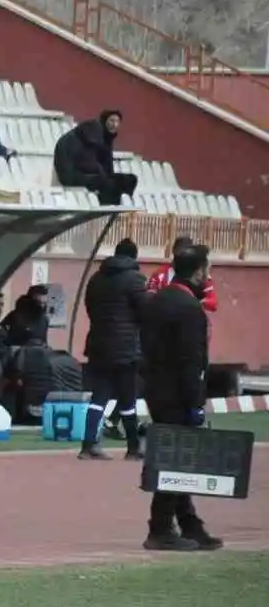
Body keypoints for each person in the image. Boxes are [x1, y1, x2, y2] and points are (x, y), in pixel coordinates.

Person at [139, 245, 222, 551]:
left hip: (156, 390)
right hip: (177, 394)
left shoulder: (157, 301)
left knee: (174, 458)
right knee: (174, 461)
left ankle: (189, 523)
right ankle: (159, 528)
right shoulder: (189, 309)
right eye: (207, 270)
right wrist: (194, 404)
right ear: (199, 271)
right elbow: (191, 362)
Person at [79, 238, 148, 461]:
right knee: (127, 399)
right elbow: (145, 310)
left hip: (98, 344)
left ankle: (88, 445)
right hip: (125, 347)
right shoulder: (135, 279)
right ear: (134, 257)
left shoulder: (96, 278)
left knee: (98, 396)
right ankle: (133, 448)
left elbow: (89, 307)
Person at [147, 236, 219, 312]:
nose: (182, 257)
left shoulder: (201, 276)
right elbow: (149, 297)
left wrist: (194, 304)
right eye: (180, 253)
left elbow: (213, 302)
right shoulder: (159, 274)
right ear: (174, 252)